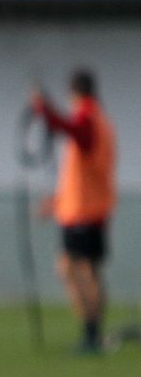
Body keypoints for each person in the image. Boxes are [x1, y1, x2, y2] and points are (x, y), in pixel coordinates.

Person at [31, 69, 117, 355]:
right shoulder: (101, 121)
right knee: (83, 270)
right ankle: (92, 332)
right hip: (88, 208)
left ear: (75, 93)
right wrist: (56, 203)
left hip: (84, 212)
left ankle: (92, 334)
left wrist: (44, 109)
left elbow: (69, 129)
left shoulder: (88, 119)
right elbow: (84, 172)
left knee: (78, 270)